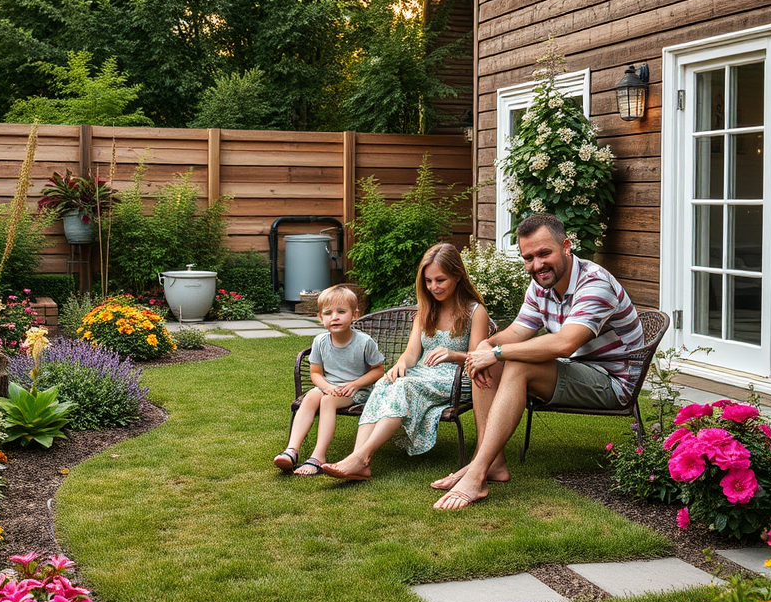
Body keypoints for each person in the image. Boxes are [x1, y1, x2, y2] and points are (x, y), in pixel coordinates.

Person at [433, 213, 644, 510]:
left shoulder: (594, 284)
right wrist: (487, 345)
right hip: (579, 370)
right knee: (488, 361)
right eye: (528, 257)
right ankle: (494, 465)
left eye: (544, 253)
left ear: (566, 246)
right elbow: (518, 331)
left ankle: (476, 472)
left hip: (613, 382)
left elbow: (564, 342)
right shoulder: (541, 284)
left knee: (516, 363)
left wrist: (495, 353)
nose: (537, 265)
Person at [321, 243, 490, 481]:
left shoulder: (475, 312)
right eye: (428, 281)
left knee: (403, 386)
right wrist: (401, 363)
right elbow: (412, 353)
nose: (434, 287)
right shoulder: (425, 310)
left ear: (457, 275)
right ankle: (358, 459)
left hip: (455, 378)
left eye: (440, 280)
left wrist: (453, 355)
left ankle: (363, 457)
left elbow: (477, 358)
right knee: (385, 383)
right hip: (423, 374)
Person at [273, 285, 385, 476]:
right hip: (330, 387)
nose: (335, 317)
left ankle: (318, 456)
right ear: (320, 318)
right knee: (310, 398)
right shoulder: (320, 342)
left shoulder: (364, 342)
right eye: (328, 313)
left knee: (327, 400)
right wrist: (328, 386)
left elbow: (379, 371)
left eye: (341, 311)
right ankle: (292, 450)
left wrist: (355, 384)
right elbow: (315, 373)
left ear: (354, 315)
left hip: (358, 391)